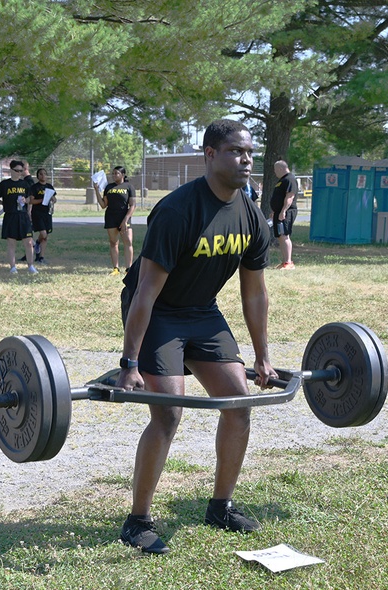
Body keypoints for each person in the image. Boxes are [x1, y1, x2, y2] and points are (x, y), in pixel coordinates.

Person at [116, 119, 278, 555]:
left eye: (248, 152)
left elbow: (255, 291)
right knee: (167, 414)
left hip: (202, 313)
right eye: (234, 152)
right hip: (159, 314)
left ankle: (220, 506)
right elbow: (146, 291)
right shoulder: (177, 210)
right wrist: (129, 363)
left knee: (238, 403)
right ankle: (137, 520)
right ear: (209, 154)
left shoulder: (250, 214)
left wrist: (262, 357)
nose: (245, 160)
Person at [0, 159, 38, 274]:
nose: (19, 173)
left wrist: (25, 200)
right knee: (11, 243)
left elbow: (30, 198)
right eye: (17, 170)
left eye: (21, 171)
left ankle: (30, 266)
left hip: (23, 216)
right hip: (10, 216)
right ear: (11, 170)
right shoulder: (5, 184)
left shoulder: (25, 184)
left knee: (29, 242)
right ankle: (13, 267)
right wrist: (3, 203)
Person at [95, 166, 136, 276]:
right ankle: (116, 269)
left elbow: (132, 205)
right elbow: (103, 205)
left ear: (123, 175)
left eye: (116, 173)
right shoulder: (109, 187)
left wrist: (125, 220)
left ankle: (129, 269)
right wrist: (96, 191)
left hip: (124, 217)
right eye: (113, 173)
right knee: (113, 243)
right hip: (111, 217)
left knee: (128, 242)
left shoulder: (129, 187)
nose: (114, 175)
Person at [270, 159, 298, 269]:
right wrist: (275, 211)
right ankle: (285, 262)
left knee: (284, 235)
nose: (275, 172)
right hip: (279, 212)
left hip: (286, 212)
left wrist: (283, 211)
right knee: (280, 236)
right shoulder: (282, 180)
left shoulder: (290, 179)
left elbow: (289, 197)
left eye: (275, 170)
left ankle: (289, 263)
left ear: (281, 168)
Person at [28, 168, 56, 264]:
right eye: (41, 174)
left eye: (45, 173)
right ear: (38, 176)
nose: (43, 175)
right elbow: (31, 201)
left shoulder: (49, 187)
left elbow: (54, 198)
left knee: (46, 236)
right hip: (38, 213)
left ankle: (41, 257)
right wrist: (42, 199)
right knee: (43, 233)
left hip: (47, 213)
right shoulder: (34, 187)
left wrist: (52, 199)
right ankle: (37, 243)